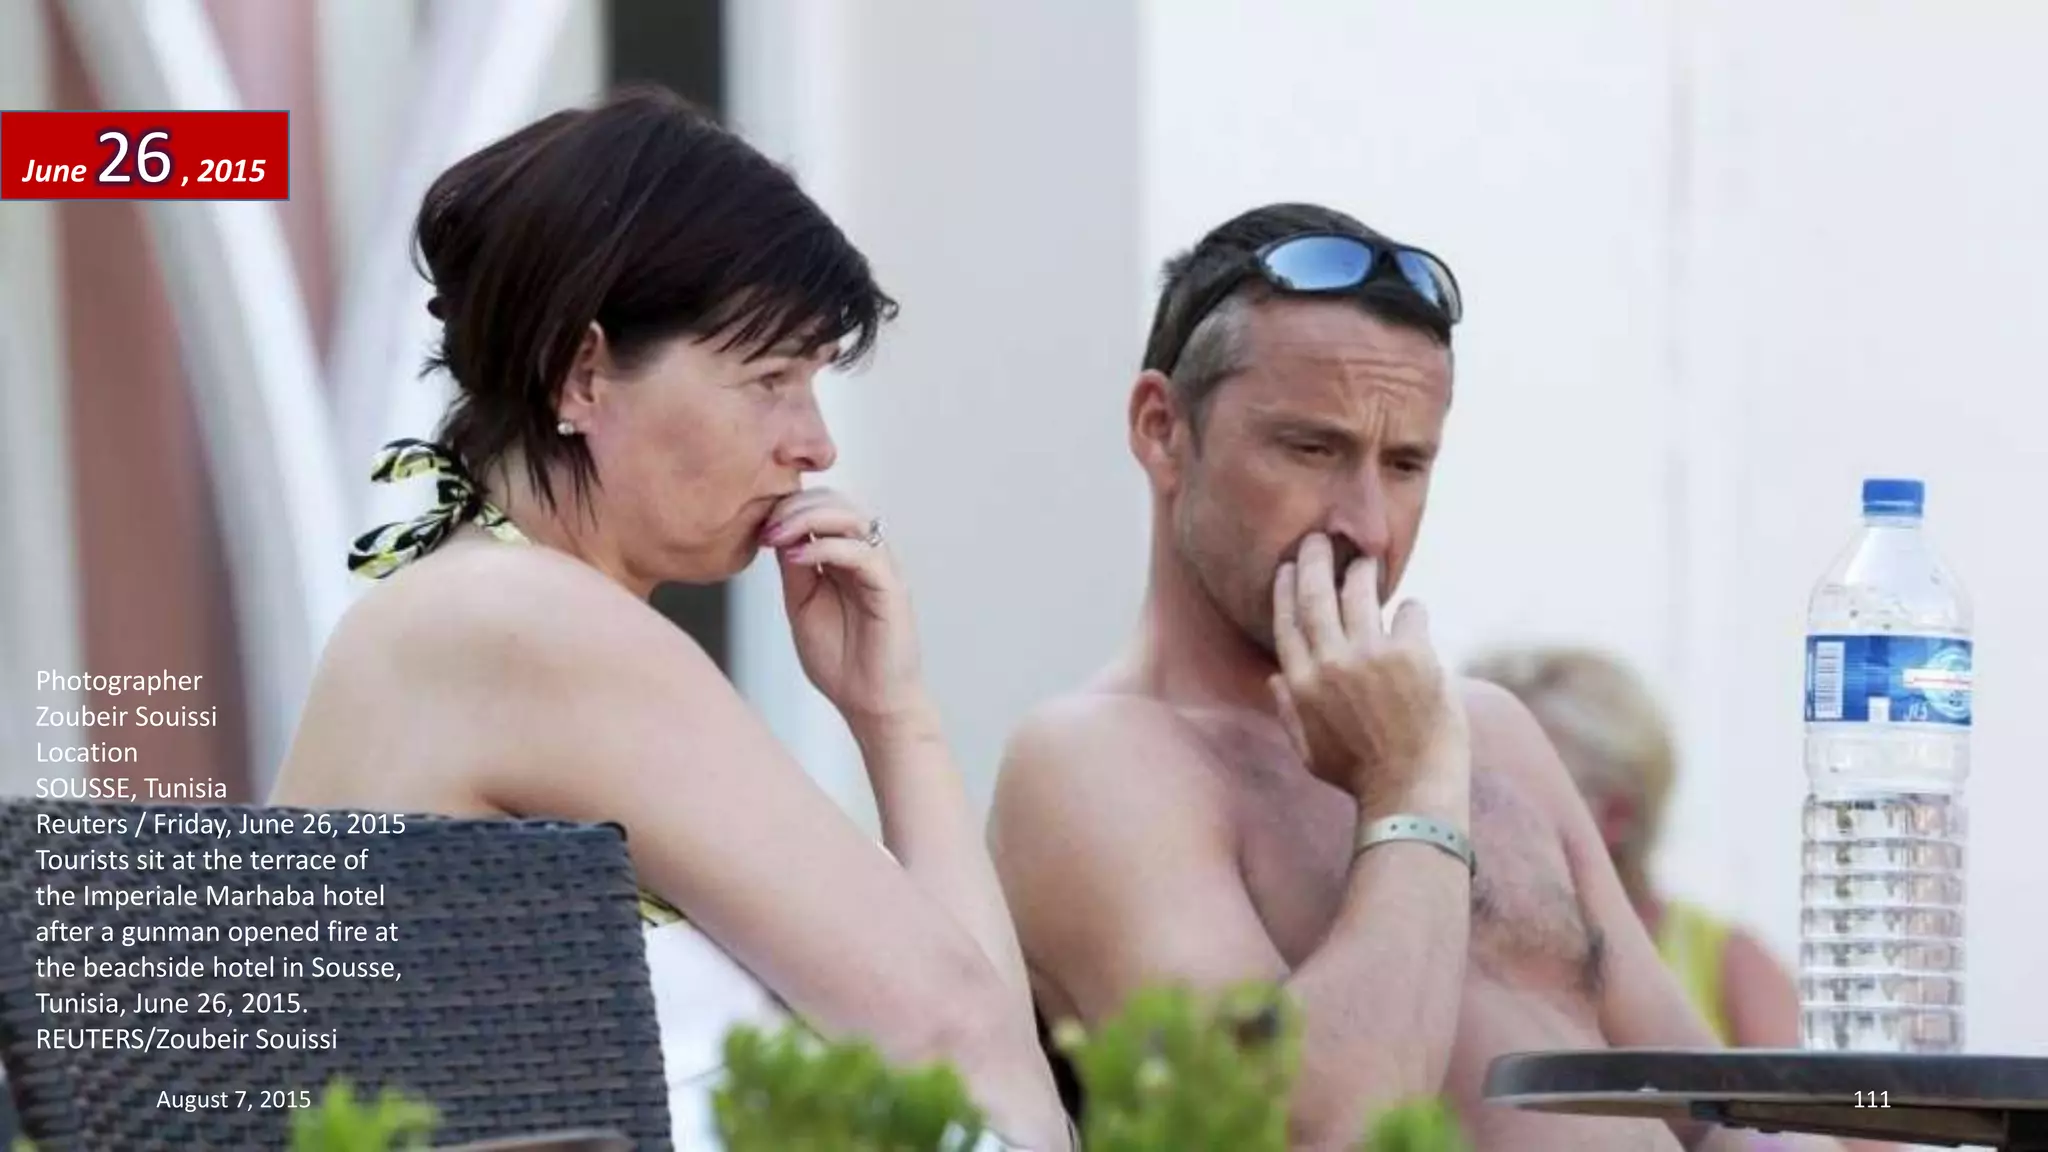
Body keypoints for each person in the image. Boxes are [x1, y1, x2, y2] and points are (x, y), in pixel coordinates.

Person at [269, 87, 1071, 1151]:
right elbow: (955, 1045)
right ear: (582, 370)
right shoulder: (532, 625)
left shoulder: (471, 608)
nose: (813, 444)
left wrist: (894, 717)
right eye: (770, 378)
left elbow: (972, 1035)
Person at [988, 202, 1818, 1151]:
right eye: (1312, 448)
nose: (1368, 526)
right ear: (1161, 429)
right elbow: (1314, 1136)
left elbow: (1715, 1111)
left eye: (1407, 463)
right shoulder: (1097, 763)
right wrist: (1411, 791)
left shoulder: (1490, 729)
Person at [1462, 645, 1800, 1048]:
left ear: (1616, 817)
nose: (1469, 815)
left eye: (1504, 794)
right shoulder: (1452, 949)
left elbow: (1822, 1108)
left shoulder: (1730, 964)